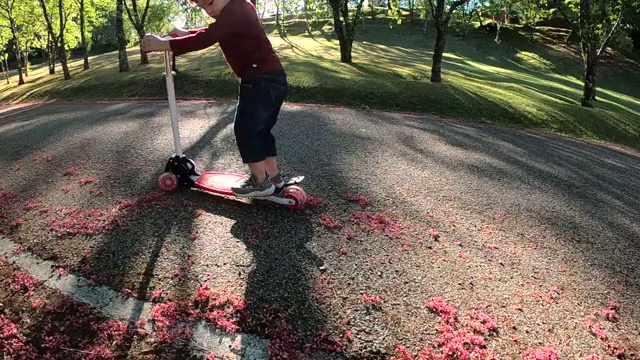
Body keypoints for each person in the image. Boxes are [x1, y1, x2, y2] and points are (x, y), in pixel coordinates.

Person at [140, 0, 288, 198]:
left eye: (210, 3)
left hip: (261, 81)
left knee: (246, 129)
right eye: (203, 8)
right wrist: (185, 33)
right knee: (260, 130)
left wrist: (164, 44)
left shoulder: (237, 8)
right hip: (266, 79)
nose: (208, 11)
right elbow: (212, 31)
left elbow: (206, 38)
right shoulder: (236, 10)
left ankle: (259, 182)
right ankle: (274, 179)